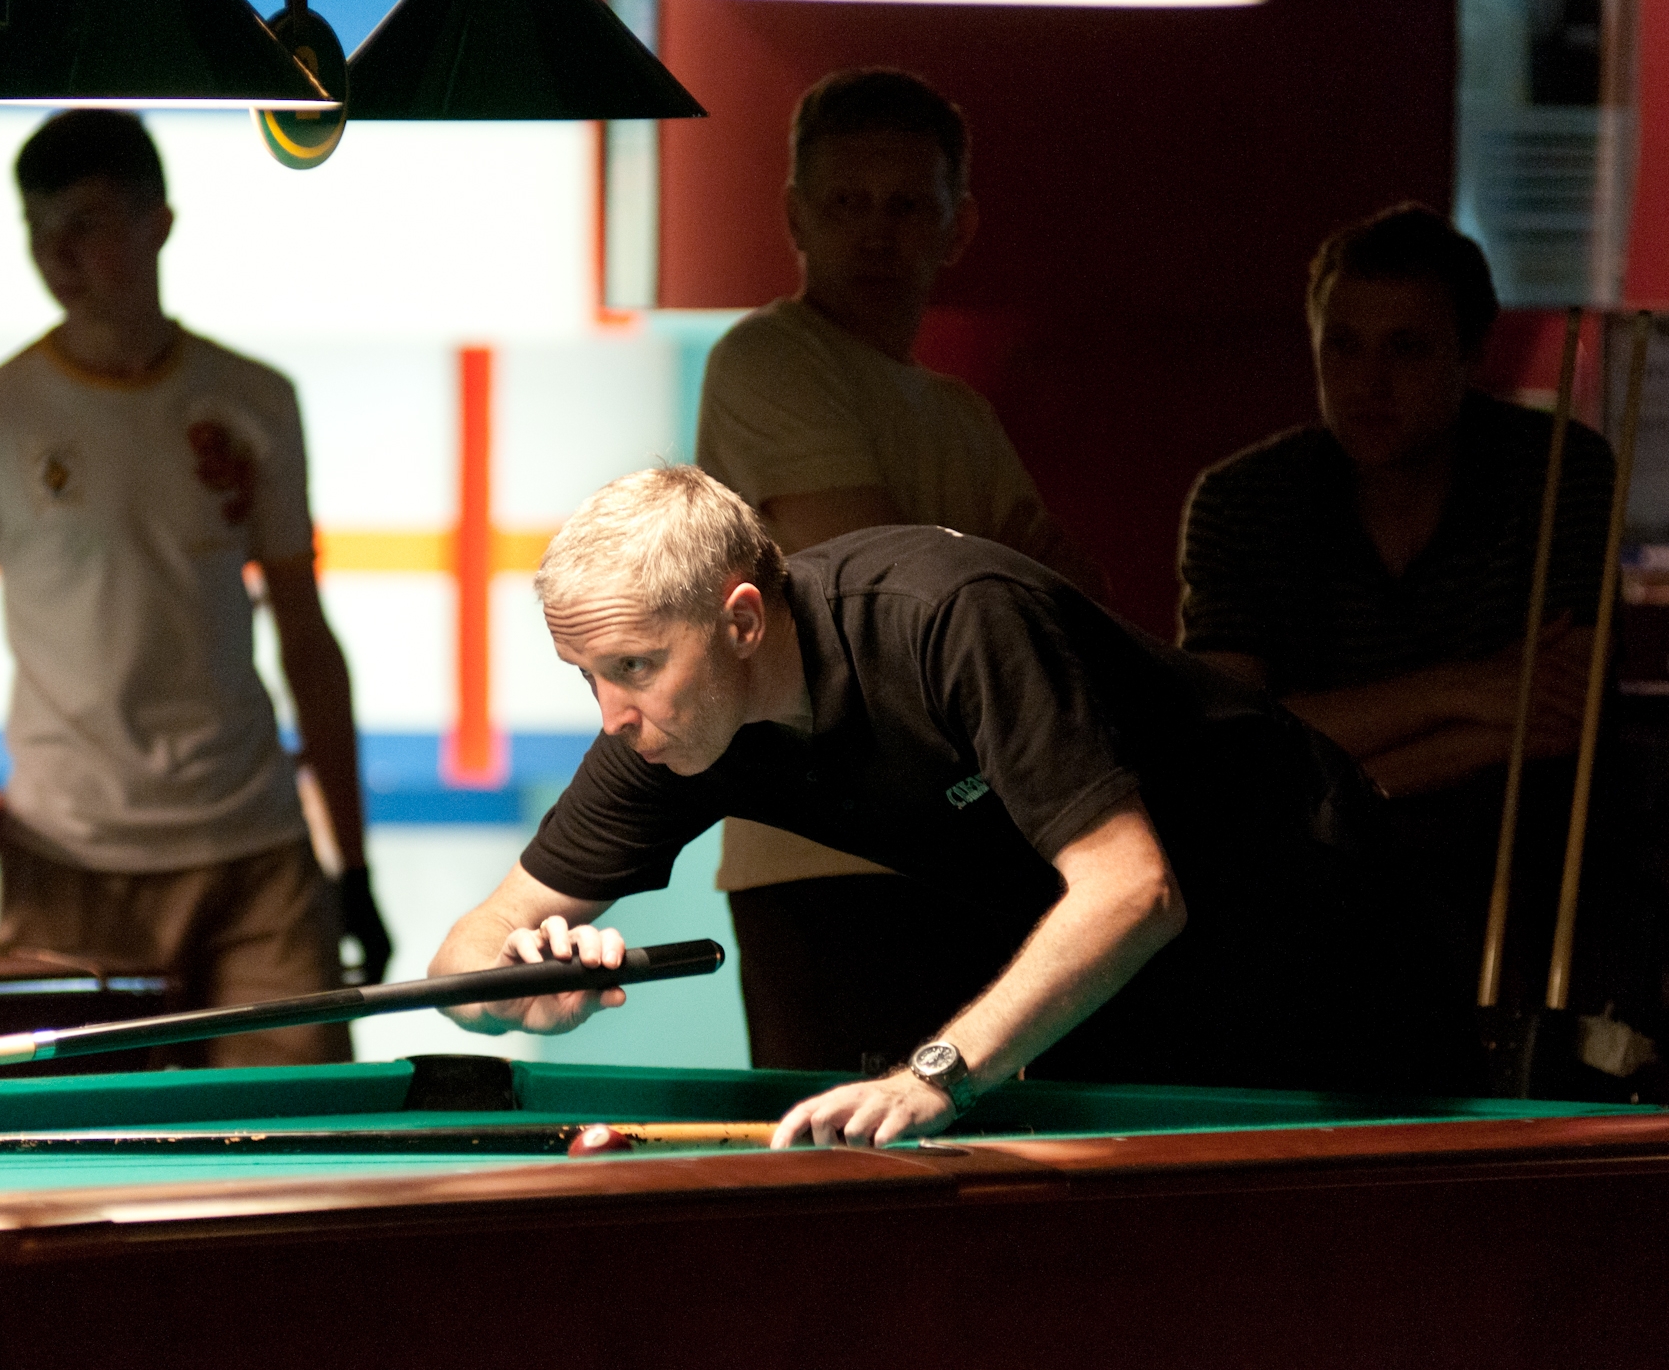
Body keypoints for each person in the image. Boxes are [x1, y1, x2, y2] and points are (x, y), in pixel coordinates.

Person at [430, 466, 1445, 1149]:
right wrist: (519, 987)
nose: (610, 712)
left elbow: (1135, 889)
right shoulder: (667, 732)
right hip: (1136, 971)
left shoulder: (947, 619)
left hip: (1320, 906)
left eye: (634, 666)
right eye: (587, 674)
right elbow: (462, 961)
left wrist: (937, 1072)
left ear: (740, 620)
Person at [0, 110, 390, 1066]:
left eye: (85, 222)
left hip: (257, 858)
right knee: (59, 1145)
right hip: (65, 862)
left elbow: (306, 634)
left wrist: (355, 861)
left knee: (305, 1136)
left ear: (158, 223)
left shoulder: (254, 401)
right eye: (38, 225)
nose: (56, 252)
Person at [695, 68, 1108, 1075]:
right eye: (847, 204)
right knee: (839, 1157)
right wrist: (991, 592)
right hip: (817, 853)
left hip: (970, 851)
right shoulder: (767, 357)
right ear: (796, 216)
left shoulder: (960, 413)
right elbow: (884, 604)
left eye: (906, 206)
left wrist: (978, 594)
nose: (876, 235)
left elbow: (1078, 613)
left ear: (957, 226)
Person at [1179, 203, 1614, 1019]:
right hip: (1307, 897)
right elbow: (1229, 748)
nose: (1368, 382)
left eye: (1406, 347)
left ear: (1471, 355)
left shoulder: (1560, 469)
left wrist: (1320, 774)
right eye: (1342, 345)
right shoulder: (1243, 499)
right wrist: (1463, 691)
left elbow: (1563, 718)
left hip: (1516, 887)